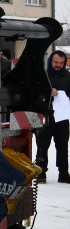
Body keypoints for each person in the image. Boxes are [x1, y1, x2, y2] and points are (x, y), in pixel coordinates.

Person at [36, 50, 70, 183]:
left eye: (61, 63)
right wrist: (48, 91)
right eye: (56, 62)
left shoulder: (68, 76)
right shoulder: (42, 75)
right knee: (42, 145)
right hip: (45, 116)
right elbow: (35, 92)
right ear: (51, 61)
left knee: (62, 146)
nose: (58, 65)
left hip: (62, 117)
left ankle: (63, 172)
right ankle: (41, 171)